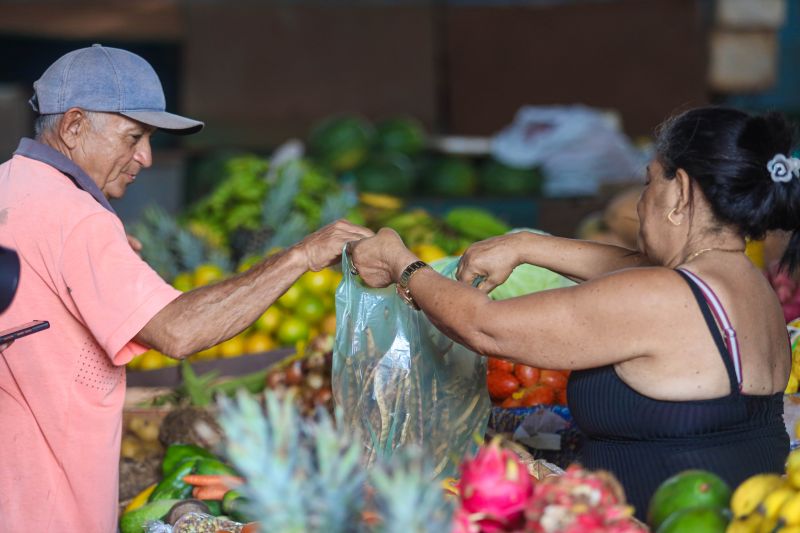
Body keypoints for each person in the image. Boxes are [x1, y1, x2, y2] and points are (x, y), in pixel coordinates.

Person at [349, 106, 794, 519]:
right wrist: (525, 246)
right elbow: (636, 270)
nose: (639, 204)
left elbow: (485, 327)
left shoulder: (663, 296)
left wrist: (401, 264)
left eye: (649, 182)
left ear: (680, 192)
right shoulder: (747, 286)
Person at [0, 45, 372, 532]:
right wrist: (298, 258)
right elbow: (179, 333)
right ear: (72, 126)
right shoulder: (76, 218)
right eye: (134, 136)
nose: (146, 158)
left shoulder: (13, 186)